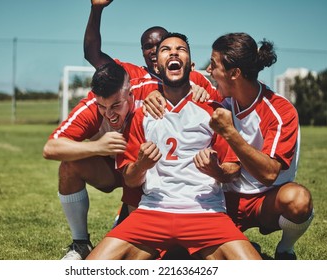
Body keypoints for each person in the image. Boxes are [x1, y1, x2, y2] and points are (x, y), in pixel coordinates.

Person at [53, 0, 214, 260]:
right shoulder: (129, 76)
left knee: (158, 251)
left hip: (162, 174)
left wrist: (203, 93)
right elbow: (92, 54)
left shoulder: (191, 79)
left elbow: (219, 109)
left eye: (159, 45)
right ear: (142, 52)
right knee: (70, 164)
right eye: (147, 46)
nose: (153, 50)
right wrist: (96, 9)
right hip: (123, 164)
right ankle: (80, 242)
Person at [86, 32, 262, 260]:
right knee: (90, 267)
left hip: (205, 213)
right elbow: (129, 179)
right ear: (156, 68)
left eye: (181, 49)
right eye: (165, 50)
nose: (174, 53)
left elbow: (234, 170)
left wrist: (215, 171)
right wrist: (141, 165)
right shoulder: (142, 114)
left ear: (191, 64)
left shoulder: (213, 111)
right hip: (153, 212)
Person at [204, 32, 314, 260]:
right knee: (190, 254)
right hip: (227, 198)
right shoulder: (222, 99)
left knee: (299, 200)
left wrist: (230, 132)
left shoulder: (280, 111)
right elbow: (180, 85)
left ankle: (286, 249)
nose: (209, 71)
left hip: (267, 201)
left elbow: (269, 173)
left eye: (213, 65)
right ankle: (242, 243)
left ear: (234, 73)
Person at [43, 62, 159, 259]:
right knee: (69, 165)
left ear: (130, 93)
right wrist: (97, 147)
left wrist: (199, 88)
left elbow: (186, 89)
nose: (109, 114)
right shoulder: (90, 108)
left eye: (116, 105)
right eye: (102, 107)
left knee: (142, 245)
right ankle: (80, 243)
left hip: (151, 172)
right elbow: (50, 148)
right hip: (113, 170)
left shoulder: (150, 91)